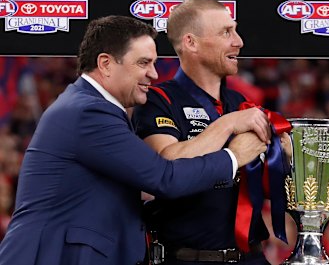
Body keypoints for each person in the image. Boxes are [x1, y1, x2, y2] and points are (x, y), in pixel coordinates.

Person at [0, 15, 267, 265]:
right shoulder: (88, 112)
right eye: (143, 63)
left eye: (153, 62)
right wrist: (233, 155)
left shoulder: (93, 108)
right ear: (105, 64)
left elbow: (125, 191)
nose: (153, 73)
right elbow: (165, 178)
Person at [132, 0, 277, 265]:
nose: (239, 41)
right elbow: (164, 165)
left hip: (253, 256)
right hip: (189, 257)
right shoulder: (158, 99)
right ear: (191, 42)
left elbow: (274, 183)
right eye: (226, 32)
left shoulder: (243, 104)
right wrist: (227, 124)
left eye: (235, 30)